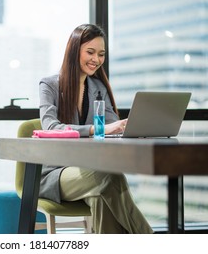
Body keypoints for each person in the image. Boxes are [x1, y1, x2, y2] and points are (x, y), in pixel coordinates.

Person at [38, 23, 153, 234]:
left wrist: (132, 128)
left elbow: (112, 126)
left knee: (102, 197)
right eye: (90, 52)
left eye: (101, 54)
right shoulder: (49, 85)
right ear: (75, 51)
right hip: (55, 174)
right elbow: (51, 126)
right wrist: (95, 129)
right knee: (110, 177)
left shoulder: (98, 88)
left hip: (89, 171)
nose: (96, 60)